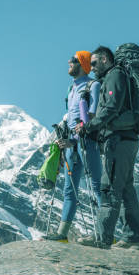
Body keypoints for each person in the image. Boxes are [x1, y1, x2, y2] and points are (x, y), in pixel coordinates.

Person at [75, 46, 139, 250]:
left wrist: (89, 127)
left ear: (105, 59)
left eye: (94, 63)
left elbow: (111, 108)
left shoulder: (114, 75)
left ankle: (102, 237)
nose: (92, 67)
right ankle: (133, 238)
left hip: (118, 140)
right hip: (128, 139)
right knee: (126, 189)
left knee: (109, 188)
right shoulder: (118, 76)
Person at [45, 51, 102, 241]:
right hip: (72, 144)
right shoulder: (71, 89)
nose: (69, 61)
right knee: (69, 190)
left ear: (83, 64)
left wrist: (75, 139)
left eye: (74, 60)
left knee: (96, 186)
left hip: (88, 142)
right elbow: (70, 117)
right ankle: (62, 234)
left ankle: (104, 234)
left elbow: (92, 115)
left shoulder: (93, 85)